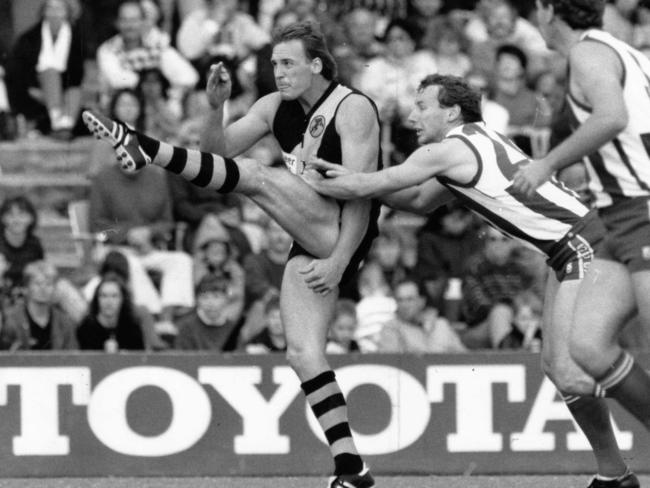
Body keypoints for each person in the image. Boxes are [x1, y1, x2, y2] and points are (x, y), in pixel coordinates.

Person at [82, 20, 380, 488]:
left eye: (288, 63)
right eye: (274, 64)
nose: (278, 72)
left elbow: (362, 195)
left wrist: (341, 260)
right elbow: (213, 162)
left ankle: (145, 148)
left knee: (258, 175)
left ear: (317, 64)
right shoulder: (272, 107)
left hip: (347, 229)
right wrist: (214, 107)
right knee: (302, 353)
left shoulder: (353, 107)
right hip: (311, 230)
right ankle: (351, 467)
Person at [305, 74, 639, 488]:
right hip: (568, 250)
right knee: (556, 367)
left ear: (452, 111)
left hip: (584, 245)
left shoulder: (450, 149)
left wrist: (311, 174)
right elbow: (416, 200)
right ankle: (613, 475)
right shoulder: (473, 144)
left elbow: (376, 183)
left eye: (422, 106)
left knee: (572, 373)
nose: (412, 116)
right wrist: (357, 181)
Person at [511, 0, 650, 442]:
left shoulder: (588, 53)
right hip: (620, 215)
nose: (537, 17)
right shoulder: (620, 49)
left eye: (538, 7)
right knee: (588, 346)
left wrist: (546, 164)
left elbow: (613, 117)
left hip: (643, 207)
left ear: (551, 10)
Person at [5, 0, 85, 137]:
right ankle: (56, 121)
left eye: (59, 9)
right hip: (34, 93)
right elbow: (17, 71)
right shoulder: (29, 38)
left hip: (65, 93)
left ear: (67, 13)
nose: (54, 13)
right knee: (50, 72)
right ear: (44, 12)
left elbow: (76, 75)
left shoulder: (76, 37)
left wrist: (61, 93)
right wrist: (34, 91)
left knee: (75, 92)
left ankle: (65, 125)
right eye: (50, 8)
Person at [0, 260, 78, 351]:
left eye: (48, 284)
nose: (43, 288)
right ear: (26, 287)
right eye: (38, 283)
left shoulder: (64, 322)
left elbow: (74, 356)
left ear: (54, 288)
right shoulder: (11, 320)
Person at [77, 272, 147, 351]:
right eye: (104, 295)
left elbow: (140, 358)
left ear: (123, 299)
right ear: (97, 299)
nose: (109, 301)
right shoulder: (86, 328)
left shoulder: (132, 327)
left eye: (114, 296)